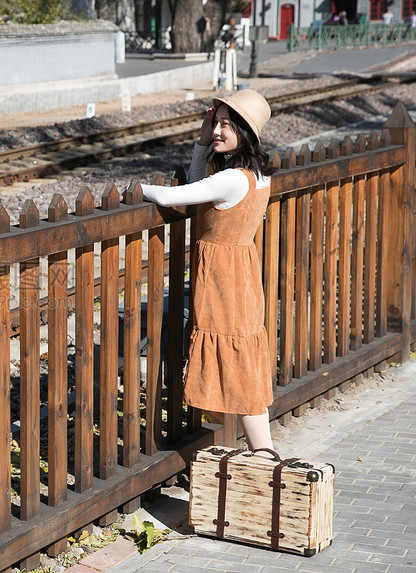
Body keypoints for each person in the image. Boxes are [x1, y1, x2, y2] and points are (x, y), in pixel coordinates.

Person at [141, 89, 277, 454]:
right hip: (242, 273)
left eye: (225, 125)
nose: (217, 130)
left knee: (236, 364)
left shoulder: (232, 178)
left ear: (244, 133)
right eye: (215, 122)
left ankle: (265, 458)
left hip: (223, 278)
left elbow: (174, 196)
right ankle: (261, 454)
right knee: (242, 360)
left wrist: (136, 189)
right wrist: (203, 141)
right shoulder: (257, 175)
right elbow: (198, 181)